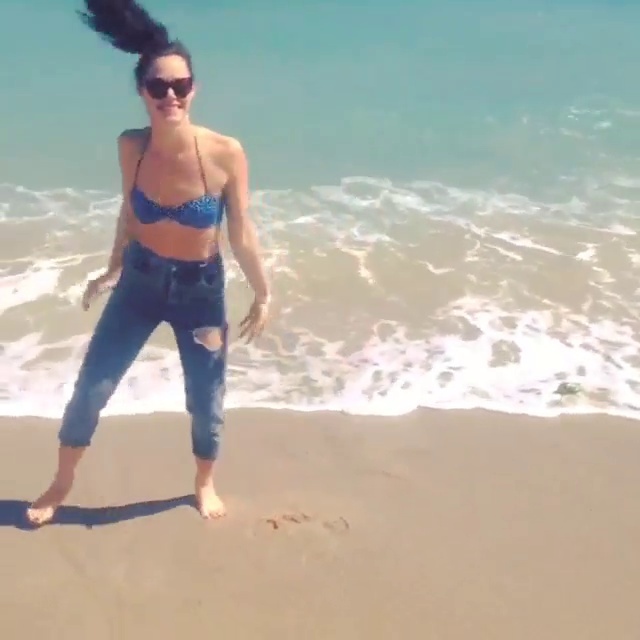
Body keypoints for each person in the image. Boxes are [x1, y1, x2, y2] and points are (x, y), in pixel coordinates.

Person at [26, 0, 271, 525]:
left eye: (180, 85)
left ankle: (203, 483)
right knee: (91, 389)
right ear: (142, 91)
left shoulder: (225, 153)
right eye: (158, 86)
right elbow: (129, 210)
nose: (170, 95)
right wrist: (112, 266)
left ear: (194, 89)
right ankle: (60, 483)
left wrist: (264, 292)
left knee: (206, 401)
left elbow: (241, 232)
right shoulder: (131, 147)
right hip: (139, 283)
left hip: (200, 292)